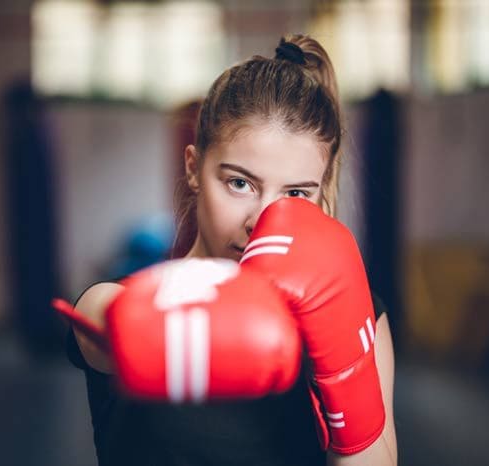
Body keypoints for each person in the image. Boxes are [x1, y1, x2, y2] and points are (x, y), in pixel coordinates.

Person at [65, 34, 397, 465]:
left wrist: (342, 370)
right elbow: (111, 325)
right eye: (240, 183)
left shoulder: (361, 318)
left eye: (295, 194)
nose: (262, 221)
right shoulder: (116, 301)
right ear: (193, 168)